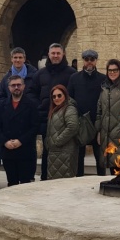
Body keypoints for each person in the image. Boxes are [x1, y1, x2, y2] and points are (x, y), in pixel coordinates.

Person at [28, 43, 76, 180]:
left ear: (63, 54)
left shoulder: (71, 74)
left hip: (64, 119)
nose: (55, 56)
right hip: (45, 118)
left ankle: (66, 179)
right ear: (49, 55)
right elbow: (31, 93)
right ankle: (45, 178)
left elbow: (74, 94)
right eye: (53, 53)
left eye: (58, 53)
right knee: (47, 151)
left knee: (64, 150)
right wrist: (40, 105)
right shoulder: (40, 74)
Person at [0, 75, 39, 186]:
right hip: (8, 152)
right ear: (9, 88)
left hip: (26, 151)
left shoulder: (32, 105)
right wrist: (5, 142)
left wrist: (20, 141)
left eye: (19, 85)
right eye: (13, 85)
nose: (16, 87)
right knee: (12, 184)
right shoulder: (2, 105)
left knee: (25, 185)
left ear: (23, 86)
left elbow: (35, 127)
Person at [67, 49, 107, 176]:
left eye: (92, 59)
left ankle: (101, 180)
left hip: (97, 123)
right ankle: (79, 181)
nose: (89, 62)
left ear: (95, 61)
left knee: (100, 157)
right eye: (86, 59)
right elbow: (70, 100)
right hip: (80, 123)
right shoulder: (74, 78)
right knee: (79, 157)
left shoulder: (103, 79)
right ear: (83, 61)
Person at [45, 84, 79, 179]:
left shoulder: (69, 109)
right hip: (55, 153)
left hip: (65, 152)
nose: (56, 98)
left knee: (64, 183)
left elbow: (73, 127)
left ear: (65, 95)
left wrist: (58, 141)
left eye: (59, 95)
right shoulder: (55, 110)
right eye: (54, 96)